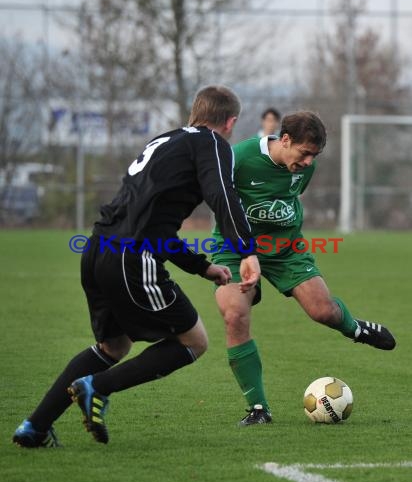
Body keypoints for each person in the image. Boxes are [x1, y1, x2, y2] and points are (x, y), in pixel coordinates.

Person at [13, 85, 261, 447]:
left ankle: (34, 428)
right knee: (193, 342)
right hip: (132, 257)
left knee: (113, 346)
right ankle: (95, 388)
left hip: (98, 249)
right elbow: (222, 195)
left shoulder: (164, 141)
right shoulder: (212, 143)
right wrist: (247, 251)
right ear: (230, 122)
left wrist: (201, 267)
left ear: (195, 112)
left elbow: (151, 220)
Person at [212, 111, 396, 426]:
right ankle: (258, 408)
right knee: (234, 314)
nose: (309, 161)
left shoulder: (303, 169)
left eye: (315, 155)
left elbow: (290, 200)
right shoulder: (238, 158)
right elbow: (219, 202)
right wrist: (246, 250)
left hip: (286, 249)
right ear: (285, 140)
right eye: (305, 153)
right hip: (234, 248)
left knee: (322, 311)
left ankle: (355, 328)